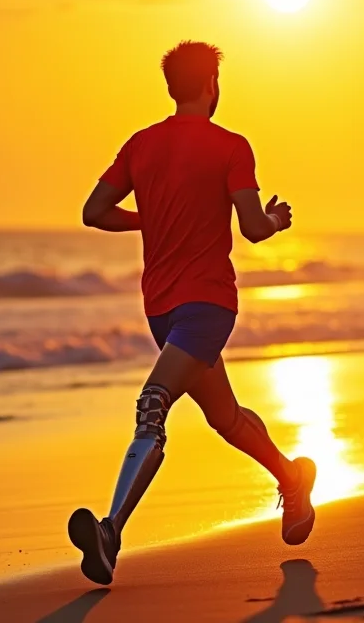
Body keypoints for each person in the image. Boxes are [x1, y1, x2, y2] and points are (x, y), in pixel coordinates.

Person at [71, 41, 317, 586]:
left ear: (171, 86)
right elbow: (253, 228)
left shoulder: (140, 145)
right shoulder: (231, 146)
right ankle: (293, 478)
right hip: (199, 303)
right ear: (212, 85)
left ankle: (111, 531)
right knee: (224, 417)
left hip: (173, 309)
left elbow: (94, 212)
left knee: (152, 404)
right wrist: (276, 219)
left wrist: (151, 218)